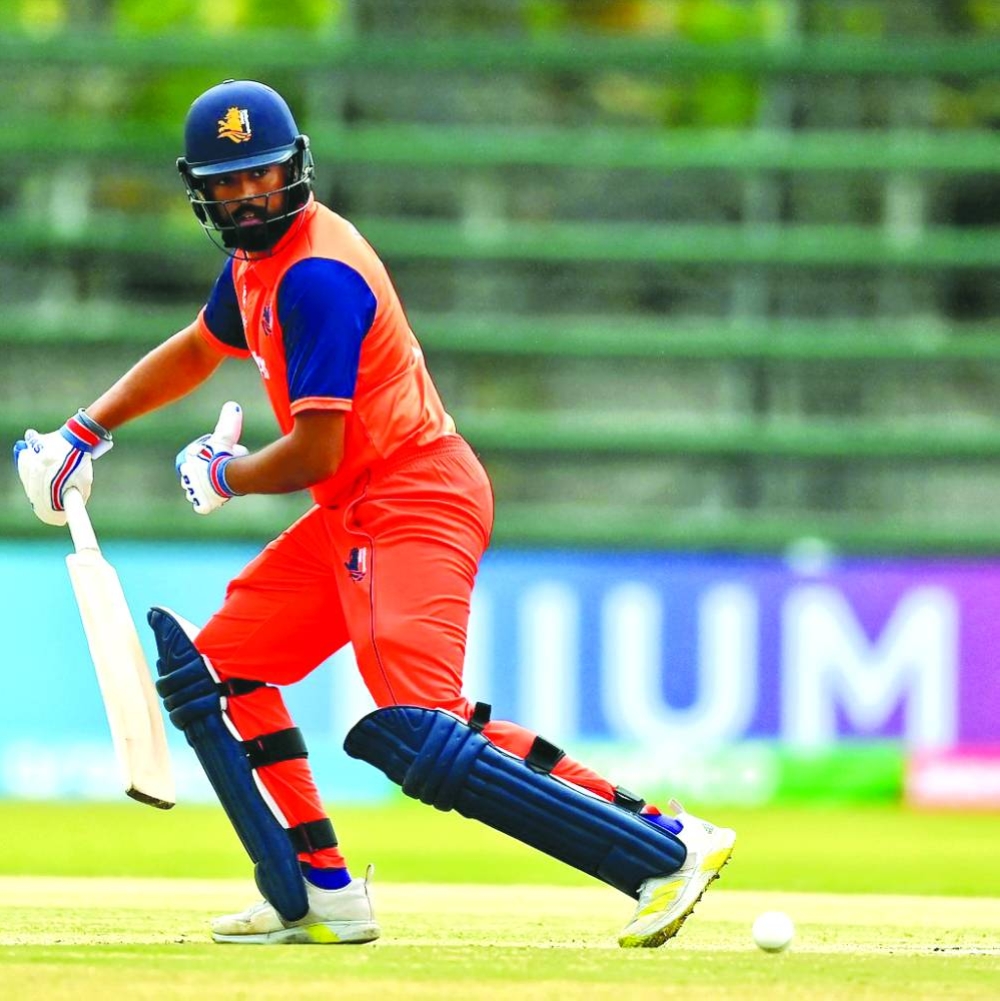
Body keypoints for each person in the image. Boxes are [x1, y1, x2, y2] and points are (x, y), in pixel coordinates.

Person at [13, 80, 735, 947]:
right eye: (228, 182)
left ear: (294, 167)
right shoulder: (253, 266)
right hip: (357, 506)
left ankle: (663, 842)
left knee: (426, 730)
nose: (248, 196)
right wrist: (86, 429)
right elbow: (200, 348)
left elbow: (317, 449)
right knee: (224, 667)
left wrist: (226, 475)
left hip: (413, 495)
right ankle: (321, 889)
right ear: (200, 190)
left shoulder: (316, 276)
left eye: (261, 174)